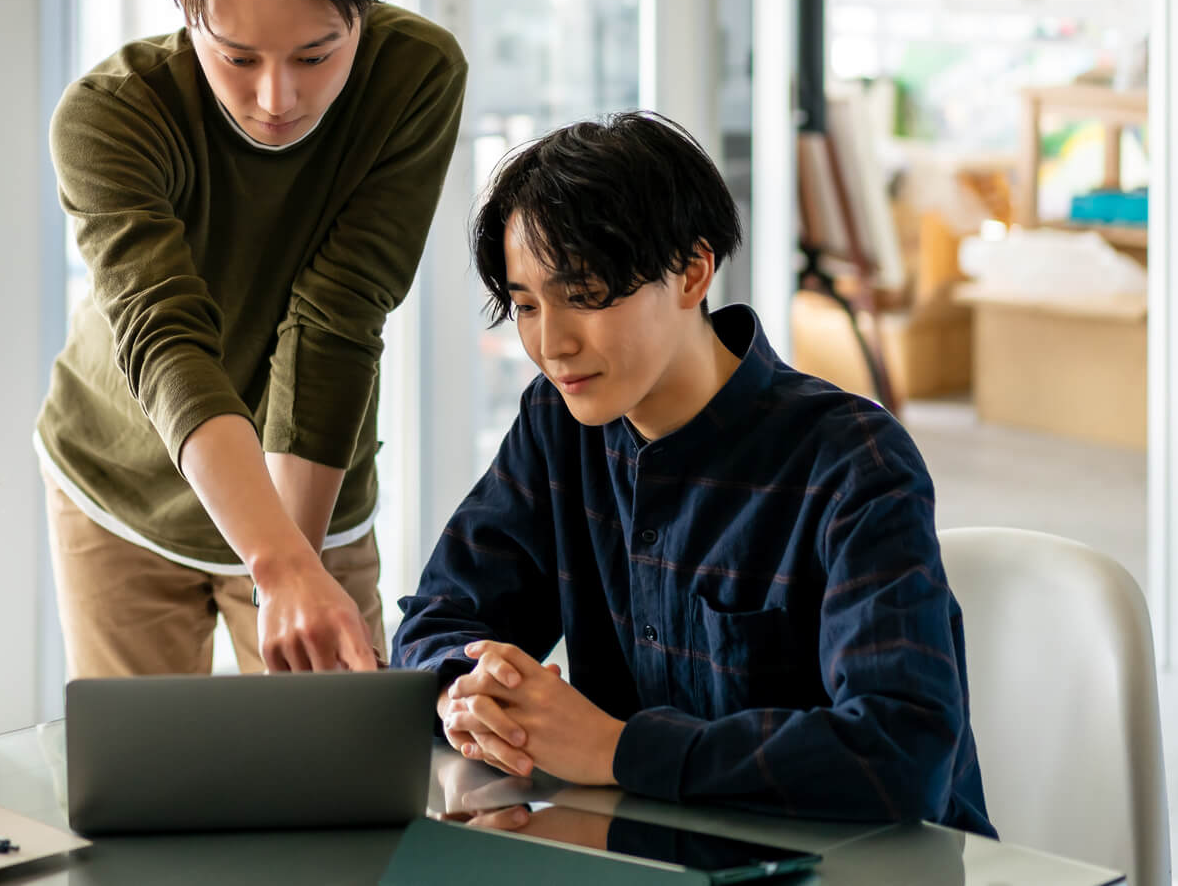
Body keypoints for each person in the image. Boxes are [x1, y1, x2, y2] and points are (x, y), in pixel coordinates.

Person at [392, 111, 994, 834]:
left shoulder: (852, 460)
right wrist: (469, 690)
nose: (551, 343)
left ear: (693, 270)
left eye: (584, 293)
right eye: (525, 304)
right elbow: (438, 619)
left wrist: (617, 748)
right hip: (660, 854)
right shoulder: (560, 424)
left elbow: (903, 754)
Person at [38, 0, 467, 677]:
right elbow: (164, 338)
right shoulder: (109, 117)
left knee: (335, 783)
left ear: (363, 12)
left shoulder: (414, 76)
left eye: (317, 54)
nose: (277, 97)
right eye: (237, 56)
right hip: (121, 486)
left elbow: (341, 311)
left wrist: (292, 567)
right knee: (147, 789)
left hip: (312, 477)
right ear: (187, 14)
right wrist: (282, 568)